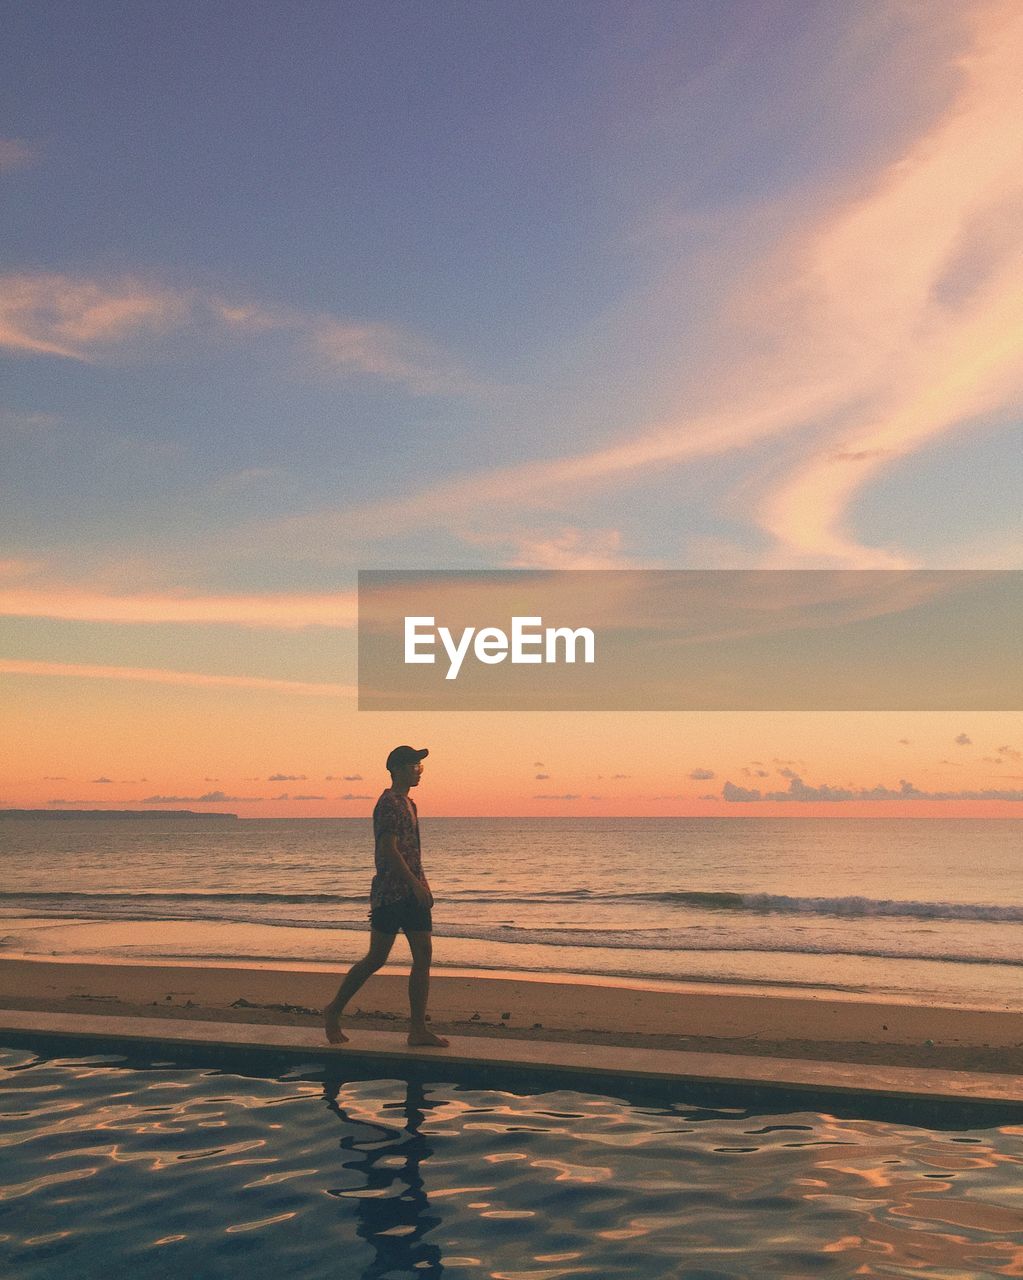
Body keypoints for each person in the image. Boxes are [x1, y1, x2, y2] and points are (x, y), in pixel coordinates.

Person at [324, 745, 449, 1048]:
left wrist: (423, 884)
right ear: (396, 769)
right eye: (413, 766)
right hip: (392, 893)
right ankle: (333, 1011)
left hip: (412, 891)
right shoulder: (389, 803)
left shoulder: (409, 803)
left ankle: (417, 1029)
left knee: (423, 955)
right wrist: (414, 885)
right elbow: (388, 850)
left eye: (420, 767)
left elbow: (411, 851)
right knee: (376, 958)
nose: (418, 772)